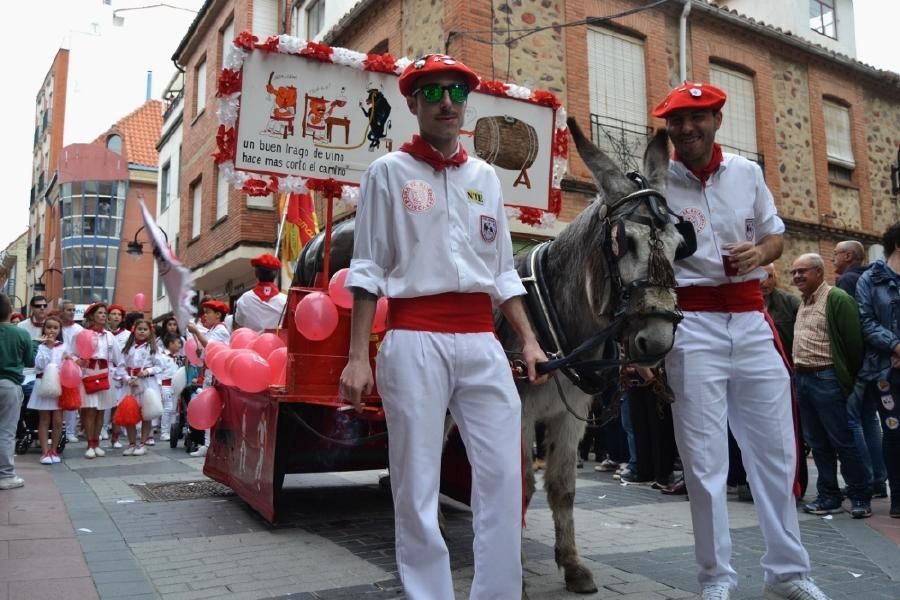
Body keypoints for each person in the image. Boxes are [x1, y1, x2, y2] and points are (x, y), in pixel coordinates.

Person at [338, 54, 547, 600]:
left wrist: (527, 338)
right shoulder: (387, 172)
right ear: (413, 103)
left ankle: (497, 593)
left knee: (505, 475)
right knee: (417, 481)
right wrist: (358, 356)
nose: (447, 102)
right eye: (433, 93)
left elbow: (502, 272)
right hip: (414, 338)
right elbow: (367, 269)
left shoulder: (485, 178)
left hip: (481, 341)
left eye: (456, 91)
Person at [652, 82, 828, 600]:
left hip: (751, 318)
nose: (686, 129)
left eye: (696, 118)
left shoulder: (748, 173)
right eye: (676, 122)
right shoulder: (657, 182)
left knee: (775, 452)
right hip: (693, 324)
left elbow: (776, 235)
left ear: (717, 120)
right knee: (705, 461)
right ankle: (716, 579)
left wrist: (760, 254)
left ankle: (788, 573)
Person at [790, 253, 871, 518]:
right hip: (803, 379)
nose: (797, 276)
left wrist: (844, 379)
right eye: (794, 272)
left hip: (827, 379)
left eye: (803, 271)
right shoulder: (803, 302)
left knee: (843, 441)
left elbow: (854, 345)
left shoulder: (837, 298)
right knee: (818, 443)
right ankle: (828, 496)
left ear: (819, 272)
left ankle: (860, 496)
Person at [855, 223, 900, 518]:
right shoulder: (870, 279)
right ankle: (898, 497)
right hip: (885, 371)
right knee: (895, 432)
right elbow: (866, 320)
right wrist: (895, 346)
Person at [185, 300, 231, 458]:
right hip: (209, 374)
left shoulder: (221, 330)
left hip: (217, 375)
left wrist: (197, 332)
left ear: (218, 315)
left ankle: (212, 444)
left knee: (214, 410)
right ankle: (207, 444)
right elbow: (205, 351)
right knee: (208, 409)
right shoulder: (212, 330)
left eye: (208, 312)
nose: (205, 315)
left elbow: (212, 347)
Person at [78, 303, 124, 459]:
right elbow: (73, 353)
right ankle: (90, 444)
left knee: (101, 411)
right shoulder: (83, 334)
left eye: (105, 313)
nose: (104, 315)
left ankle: (96, 443)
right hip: (89, 373)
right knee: (90, 409)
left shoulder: (110, 336)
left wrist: (119, 374)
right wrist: (79, 362)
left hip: (105, 373)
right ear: (92, 316)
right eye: (100, 313)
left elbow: (119, 358)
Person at [118, 319, 169, 455]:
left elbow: (160, 366)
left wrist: (147, 371)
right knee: (130, 413)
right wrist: (128, 379)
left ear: (149, 332)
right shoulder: (127, 348)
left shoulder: (152, 349)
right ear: (134, 330)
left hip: (147, 384)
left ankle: (142, 443)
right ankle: (131, 443)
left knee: (146, 414)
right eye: (139, 329)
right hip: (131, 384)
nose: (142, 331)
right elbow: (121, 367)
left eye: (145, 329)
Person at [0, 293, 35, 490]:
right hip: (8, 384)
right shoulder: (21, 333)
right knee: (5, 430)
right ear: (9, 311)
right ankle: (5, 475)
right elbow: (30, 360)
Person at [30, 316, 67, 464]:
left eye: (55, 328)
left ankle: (54, 449)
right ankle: (45, 451)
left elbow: (66, 365)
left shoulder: (63, 346)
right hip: (43, 383)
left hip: (58, 385)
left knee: (58, 420)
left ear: (59, 330)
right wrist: (48, 348)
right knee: (44, 419)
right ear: (44, 328)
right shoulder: (39, 345)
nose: (52, 330)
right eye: (49, 327)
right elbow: (39, 365)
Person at [233, 253, 287, 332]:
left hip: (250, 343)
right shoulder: (285, 300)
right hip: (277, 343)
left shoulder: (244, 299)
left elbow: (239, 322)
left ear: (256, 273)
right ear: (275, 274)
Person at [103, 303, 129, 446]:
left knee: (118, 406)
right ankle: (102, 428)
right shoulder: (103, 334)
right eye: (113, 314)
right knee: (105, 404)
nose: (116, 317)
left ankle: (116, 436)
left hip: (121, 372)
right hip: (105, 371)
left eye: (119, 314)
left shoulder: (127, 335)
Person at [59, 300, 84, 443]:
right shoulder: (56, 327)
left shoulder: (79, 329)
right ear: (61, 311)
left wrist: (76, 360)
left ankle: (70, 431)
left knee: (72, 400)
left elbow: (82, 351)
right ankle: (58, 429)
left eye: (74, 309)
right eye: (69, 309)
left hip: (73, 368)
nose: (72, 312)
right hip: (57, 367)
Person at [159, 335, 184, 442]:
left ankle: (171, 431)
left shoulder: (177, 357)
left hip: (174, 386)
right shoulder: (162, 356)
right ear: (171, 343)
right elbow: (159, 372)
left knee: (173, 410)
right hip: (165, 385)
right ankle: (164, 432)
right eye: (178, 342)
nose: (180, 345)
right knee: (168, 408)